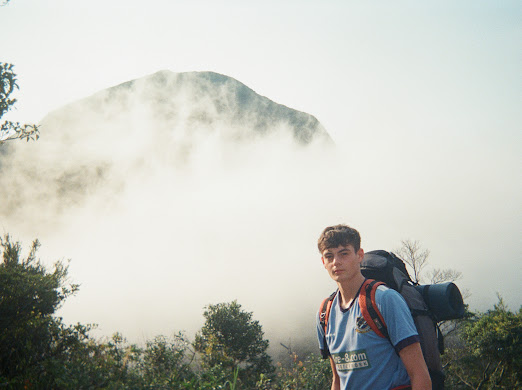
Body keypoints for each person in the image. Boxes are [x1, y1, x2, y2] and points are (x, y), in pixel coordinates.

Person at [316, 224, 432, 390]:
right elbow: (338, 379)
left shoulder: (384, 300)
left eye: (344, 254)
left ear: (359, 255)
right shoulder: (325, 313)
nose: (336, 262)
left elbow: (419, 373)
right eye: (329, 256)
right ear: (323, 262)